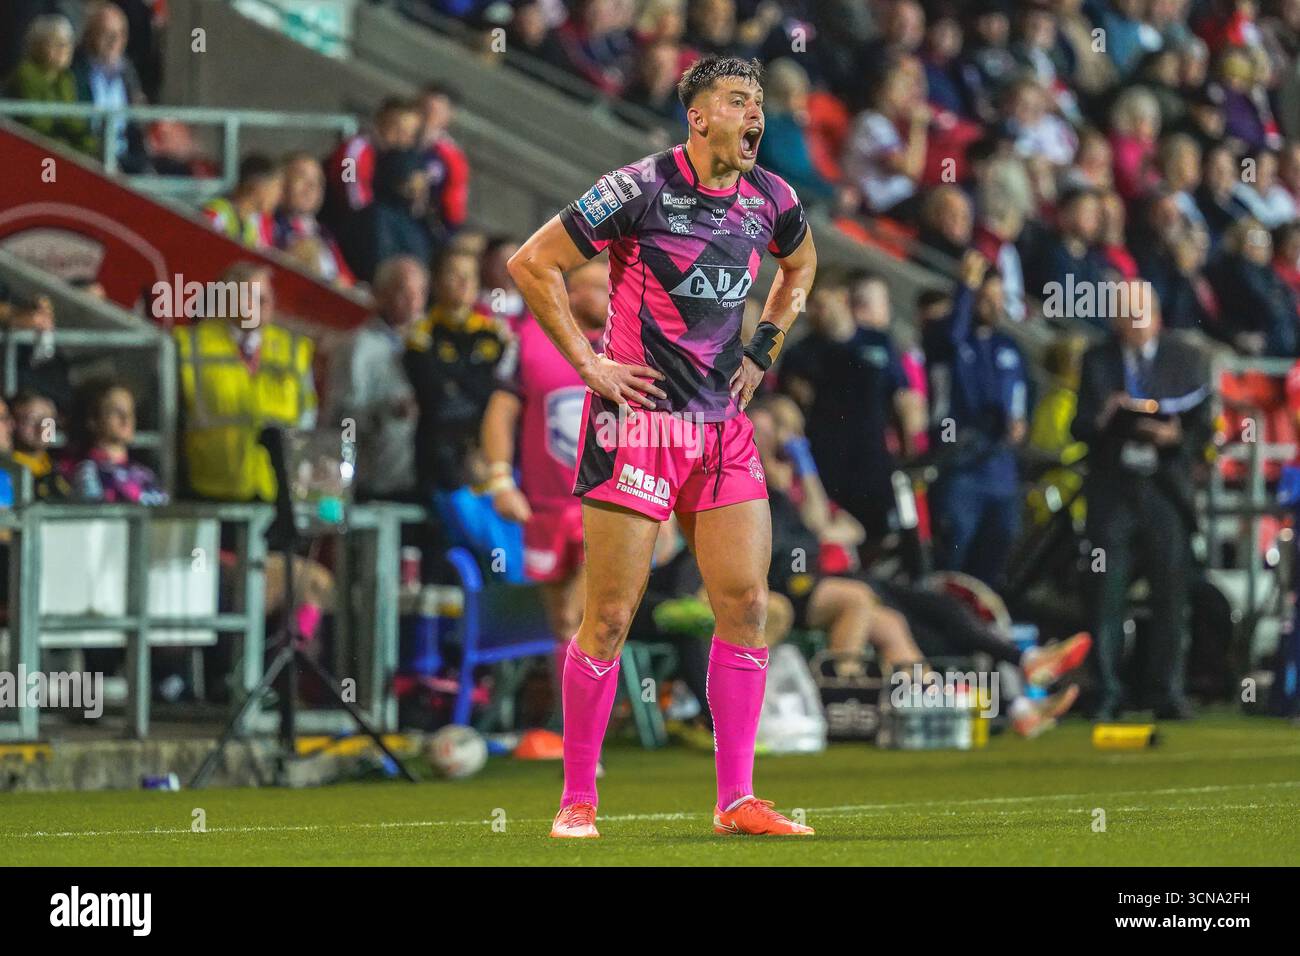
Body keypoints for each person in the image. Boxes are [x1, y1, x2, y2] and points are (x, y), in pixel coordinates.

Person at [508, 55, 818, 838]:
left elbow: (802, 265)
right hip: (638, 423)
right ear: (698, 115)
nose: (755, 116)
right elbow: (533, 263)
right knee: (609, 616)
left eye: (758, 104)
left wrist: (765, 347)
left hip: (723, 427)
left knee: (747, 603)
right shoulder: (639, 188)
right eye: (738, 101)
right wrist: (588, 364)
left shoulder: (772, 198)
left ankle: (736, 799)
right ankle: (578, 798)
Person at [1071, 281, 1211, 720]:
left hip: (1164, 491)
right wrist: (1105, 417)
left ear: (1156, 316)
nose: (1131, 322)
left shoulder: (1185, 358)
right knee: (1104, 591)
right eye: (1124, 315)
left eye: (1139, 313)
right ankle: (1106, 690)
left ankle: (1165, 690)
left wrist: (1176, 437)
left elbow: (1204, 425)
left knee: (1172, 593)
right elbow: (1080, 428)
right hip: (1113, 490)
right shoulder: (1097, 359)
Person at [482, 259, 609, 683]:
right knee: (562, 623)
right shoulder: (532, 340)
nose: (602, 299)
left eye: (607, 290)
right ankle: (573, 725)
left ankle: (589, 727)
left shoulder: (634, 345)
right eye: (592, 288)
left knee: (591, 613)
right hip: (547, 504)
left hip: (610, 502)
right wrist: (500, 480)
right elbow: (501, 410)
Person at [924, 251, 1026, 589]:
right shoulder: (945, 336)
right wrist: (964, 289)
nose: (993, 305)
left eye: (998, 298)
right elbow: (950, 339)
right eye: (985, 297)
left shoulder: (1008, 347)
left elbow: (1020, 394)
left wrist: (1018, 421)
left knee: (999, 548)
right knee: (954, 550)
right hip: (959, 462)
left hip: (999, 467)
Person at [324, 255, 425, 501]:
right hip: (371, 481)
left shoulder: (428, 345)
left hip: (418, 478)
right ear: (380, 294)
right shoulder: (358, 347)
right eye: (403, 291)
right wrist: (385, 412)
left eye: (420, 291)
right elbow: (340, 419)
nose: (413, 300)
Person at [4, 14, 98, 157]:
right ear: (37, 45)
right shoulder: (25, 75)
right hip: (32, 153)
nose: (65, 49)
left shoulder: (66, 78)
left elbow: (74, 122)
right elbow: (38, 123)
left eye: (68, 43)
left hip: (65, 151)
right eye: (58, 43)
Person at [62, 378, 167, 504]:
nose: (126, 418)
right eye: (116, 411)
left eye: (130, 411)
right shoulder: (83, 472)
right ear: (93, 420)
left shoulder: (145, 474)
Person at [72, 1, 149, 173]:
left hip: (125, 156)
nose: (114, 41)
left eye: (121, 34)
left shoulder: (128, 72)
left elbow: (136, 125)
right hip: (86, 157)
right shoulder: (74, 71)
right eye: (107, 33)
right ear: (90, 35)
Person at [274, 152, 354, 286]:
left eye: (318, 181)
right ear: (281, 183)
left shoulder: (324, 233)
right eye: (301, 177)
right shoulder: (268, 225)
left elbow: (346, 280)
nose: (311, 186)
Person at [202, 154, 282, 250]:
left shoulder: (259, 222)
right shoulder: (215, 214)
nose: (279, 196)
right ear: (257, 186)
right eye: (276, 187)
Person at [9, 390, 70, 500]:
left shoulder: (64, 466)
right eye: (31, 420)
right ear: (12, 423)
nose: (41, 428)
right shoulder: (7, 470)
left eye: (48, 421)